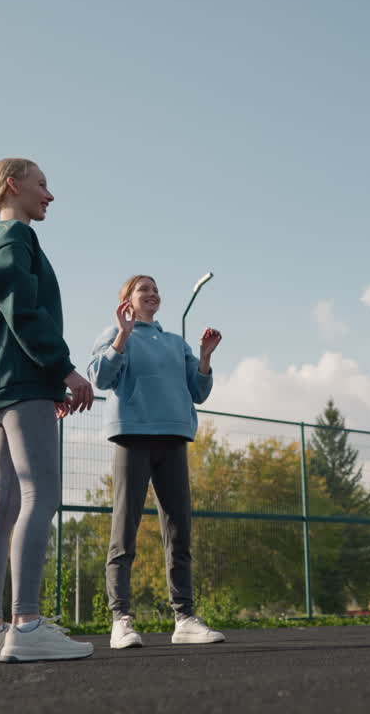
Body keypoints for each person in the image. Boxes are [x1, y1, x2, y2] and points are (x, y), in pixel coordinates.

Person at [0, 158, 95, 663]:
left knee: (4, 502)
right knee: (40, 495)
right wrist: (62, 370)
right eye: (42, 184)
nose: (49, 195)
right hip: (22, 382)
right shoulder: (15, 236)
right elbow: (22, 309)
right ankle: (27, 624)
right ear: (14, 186)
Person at [89, 275, 226, 649]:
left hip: (173, 437)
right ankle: (121, 619)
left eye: (155, 289)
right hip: (133, 436)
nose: (152, 293)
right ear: (127, 301)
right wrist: (121, 335)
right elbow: (101, 377)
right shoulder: (116, 333)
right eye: (143, 289)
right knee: (125, 527)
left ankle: (184, 618)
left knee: (179, 529)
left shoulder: (174, 342)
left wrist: (205, 357)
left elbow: (198, 392)